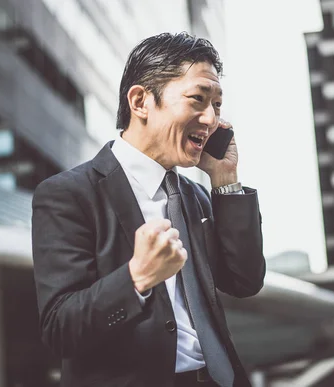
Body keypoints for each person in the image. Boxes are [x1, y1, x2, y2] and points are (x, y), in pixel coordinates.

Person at [31, 32, 266, 387]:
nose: (211, 119)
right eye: (198, 100)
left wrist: (226, 180)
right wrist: (136, 278)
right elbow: (60, 329)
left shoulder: (195, 196)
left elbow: (245, 281)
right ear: (141, 101)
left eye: (216, 105)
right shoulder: (68, 195)